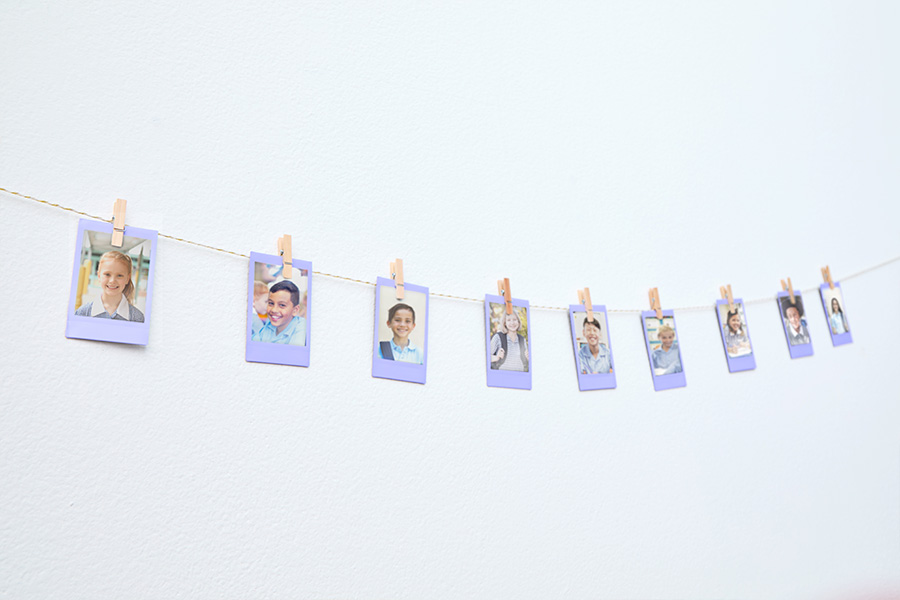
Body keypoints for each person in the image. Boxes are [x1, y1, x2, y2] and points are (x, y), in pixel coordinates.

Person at [74, 251, 144, 322]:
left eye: (119, 275)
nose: (112, 281)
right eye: (107, 274)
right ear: (99, 276)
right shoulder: (83, 313)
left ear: (127, 279)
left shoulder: (137, 318)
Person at [251, 280, 306, 345]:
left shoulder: (301, 328)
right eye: (271, 303)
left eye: (282, 305)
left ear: (295, 310)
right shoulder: (269, 325)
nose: (274, 310)